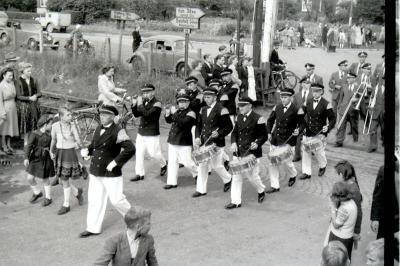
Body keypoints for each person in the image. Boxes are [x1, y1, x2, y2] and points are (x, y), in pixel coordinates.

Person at [79, 105, 135, 238]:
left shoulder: (118, 131)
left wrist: (116, 162)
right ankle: (93, 227)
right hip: (96, 170)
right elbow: (94, 145)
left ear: (112, 117)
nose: (102, 117)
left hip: (111, 172)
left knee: (117, 200)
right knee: (94, 200)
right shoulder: (98, 128)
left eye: (105, 115)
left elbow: (130, 149)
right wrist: (87, 151)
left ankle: (135, 220)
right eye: (101, 115)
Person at [225, 97, 267, 209]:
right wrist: (233, 143)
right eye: (239, 106)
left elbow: (264, 135)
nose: (240, 108)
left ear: (250, 106)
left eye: (243, 106)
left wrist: (257, 143)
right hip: (239, 152)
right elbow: (234, 133)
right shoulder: (238, 117)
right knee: (236, 176)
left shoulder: (259, 118)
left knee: (252, 177)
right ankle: (235, 201)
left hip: (252, 153)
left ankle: (261, 189)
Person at [193, 87, 232, 198]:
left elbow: (229, 126)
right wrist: (197, 137)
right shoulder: (203, 109)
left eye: (208, 97)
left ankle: (228, 179)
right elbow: (199, 126)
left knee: (216, 165)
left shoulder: (222, 109)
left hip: (216, 143)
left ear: (215, 97)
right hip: (205, 142)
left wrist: (219, 133)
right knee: (202, 165)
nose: (206, 99)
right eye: (205, 97)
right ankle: (201, 190)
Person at [94, 206, 158, 266]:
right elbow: (100, 263)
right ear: (138, 227)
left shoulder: (149, 239)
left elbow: (152, 261)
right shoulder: (114, 240)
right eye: (148, 223)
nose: (150, 226)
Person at [266, 88, 303, 192]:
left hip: (288, 140)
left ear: (291, 98)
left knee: (287, 162)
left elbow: (302, 123)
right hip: (275, 139)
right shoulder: (277, 107)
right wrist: (268, 132)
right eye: (282, 97)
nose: (283, 99)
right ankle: (275, 186)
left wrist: (298, 130)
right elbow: (270, 120)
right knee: (272, 163)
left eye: (285, 97)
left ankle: (293, 174)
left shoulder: (296, 109)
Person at [50, 107, 84, 215]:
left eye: (70, 114)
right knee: (61, 180)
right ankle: (77, 192)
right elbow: (53, 139)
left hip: (70, 154)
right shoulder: (55, 126)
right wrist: (51, 151)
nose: (71, 116)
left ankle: (66, 204)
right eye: (68, 115)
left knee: (63, 179)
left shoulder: (73, 125)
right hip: (60, 153)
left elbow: (78, 139)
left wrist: (79, 146)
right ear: (61, 116)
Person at [130, 84, 167, 182]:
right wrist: (134, 105)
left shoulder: (157, 103)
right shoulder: (144, 102)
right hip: (141, 132)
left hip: (151, 133)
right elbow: (137, 114)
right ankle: (139, 173)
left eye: (147, 92)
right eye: (144, 93)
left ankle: (164, 164)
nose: (145, 94)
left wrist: (140, 104)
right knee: (139, 152)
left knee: (154, 153)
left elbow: (147, 114)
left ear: (153, 92)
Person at [299, 83, 336, 180]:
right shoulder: (308, 102)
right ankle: (306, 172)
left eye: (317, 91)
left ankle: (323, 165)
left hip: (319, 132)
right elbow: (301, 114)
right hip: (308, 131)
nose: (315, 93)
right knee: (306, 151)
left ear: (321, 92)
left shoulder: (326, 104)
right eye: (313, 91)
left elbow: (332, 119)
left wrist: (328, 127)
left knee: (319, 152)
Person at [164, 92, 198, 189]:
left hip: (184, 141)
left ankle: (198, 173)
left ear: (188, 102)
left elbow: (183, 123)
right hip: (173, 140)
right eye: (180, 102)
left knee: (187, 162)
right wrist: (167, 113)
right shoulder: (178, 111)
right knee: (172, 162)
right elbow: (170, 120)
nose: (181, 104)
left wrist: (174, 113)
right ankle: (171, 182)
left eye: (184, 102)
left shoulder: (191, 113)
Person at [24, 114, 55, 206]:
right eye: (50, 124)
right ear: (45, 125)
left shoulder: (50, 134)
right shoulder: (34, 134)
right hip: (35, 158)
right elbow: (28, 146)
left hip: (45, 159)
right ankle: (37, 192)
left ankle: (48, 197)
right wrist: (26, 157)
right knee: (30, 178)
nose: (51, 126)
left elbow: (52, 146)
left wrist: (52, 152)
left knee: (45, 179)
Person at [334, 160, 363, 247]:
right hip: (340, 221)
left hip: (345, 229)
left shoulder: (353, 190)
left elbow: (359, 212)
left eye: (336, 174)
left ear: (341, 175)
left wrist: (356, 232)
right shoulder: (342, 184)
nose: (335, 176)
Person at [327, 181, 358, 260]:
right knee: (344, 260)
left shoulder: (345, 208)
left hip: (339, 238)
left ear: (337, 196)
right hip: (347, 237)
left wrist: (333, 209)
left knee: (335, 260)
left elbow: (336, 225)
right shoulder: (351, 202)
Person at [16, 62, 42, 144]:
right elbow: (18, 96)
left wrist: (35, 96)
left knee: (34, 124)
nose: (30, 73)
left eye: (30, 71)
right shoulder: (18, 81)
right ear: (22, 71)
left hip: (34, 105)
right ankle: (26, 143)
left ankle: (33, 142)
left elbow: (39, 93)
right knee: (26, 126)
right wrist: (29, 98)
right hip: (24, 106)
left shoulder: (34, 80)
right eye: (28, 71)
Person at [334, 73, 360, 147]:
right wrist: (339, 107)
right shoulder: (344, 86)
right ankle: (339, 141)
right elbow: (341, 97)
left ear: (354, 78)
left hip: (353, 110)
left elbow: (360, 98)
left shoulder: (358, 87)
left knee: (354, 126)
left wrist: (356, 100)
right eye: (347, 78)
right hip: (343, 109)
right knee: (341, 125)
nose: (348, 79)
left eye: (350, 78)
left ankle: (356, 138)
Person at [293, 77, 313, 162]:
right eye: (304, 83)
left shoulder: (313, 95)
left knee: (311, 137)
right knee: (298, 137)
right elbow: (294, 108)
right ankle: (297, 155)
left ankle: (311, 150)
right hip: (300, 120)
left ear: (310, 84)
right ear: (301, 84)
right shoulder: (297, 95)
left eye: (308, 83)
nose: (306, 85)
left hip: (310, 119)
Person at [0, 67, 19, 155]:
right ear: (4, 75)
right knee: (4, 128)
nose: (11, 77)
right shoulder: (1, 85)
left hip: (13, 107)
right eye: (9, 76)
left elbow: (14, 95)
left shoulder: (12, 83)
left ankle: (9, 145)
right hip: (5, 108)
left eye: (12, 75)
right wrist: (2, 112)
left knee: (11, 127)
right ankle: (3, 146)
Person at [367, 75, 384, 153]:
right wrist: (371, 106)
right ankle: (373, 146)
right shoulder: (377, 88)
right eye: (384, 80)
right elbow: (373, 98)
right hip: (376, 111)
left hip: (384, 113)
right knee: (372, 129)